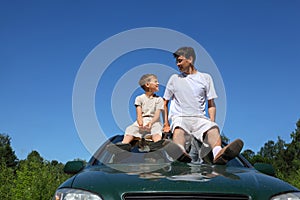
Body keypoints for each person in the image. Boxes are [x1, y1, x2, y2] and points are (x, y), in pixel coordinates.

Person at [163, 47, 243, 164]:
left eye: (180, 61)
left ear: (190, 59)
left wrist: (211, 122)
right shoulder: (174, 79)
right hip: (180, 117)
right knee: (179, 129)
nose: (177, 64)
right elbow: (164, 102)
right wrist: (166, 123)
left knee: (213, 128)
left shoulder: (206, 78)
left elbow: (211, 103)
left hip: (200, 118)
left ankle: (218, 154)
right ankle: (179, 151)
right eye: (177, 61)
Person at [108, 74, 164, 153]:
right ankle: (124, 144)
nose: (158, 83)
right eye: (155, 82)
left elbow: (157, 115)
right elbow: (139, 114)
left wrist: (150, 123)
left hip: (154, 121)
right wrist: (141, 124)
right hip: (142, 120)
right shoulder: (139, 98)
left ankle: (156, 144)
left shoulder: (159, 99)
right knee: (130, 129)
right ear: (147, 85)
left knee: (157, 129)